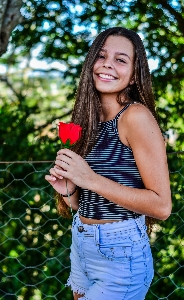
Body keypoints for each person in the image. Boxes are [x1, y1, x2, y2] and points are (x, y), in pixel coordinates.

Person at [45, 27, 172, 300]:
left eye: (120, 59)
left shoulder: (135, 117)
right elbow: (88, 202)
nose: (107, 65)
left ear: (135, 74)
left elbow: (161, 206)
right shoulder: (91, 120)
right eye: (101, 56)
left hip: (120, 256)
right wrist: (69, 189)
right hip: (83, 242)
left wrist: (88, 178)